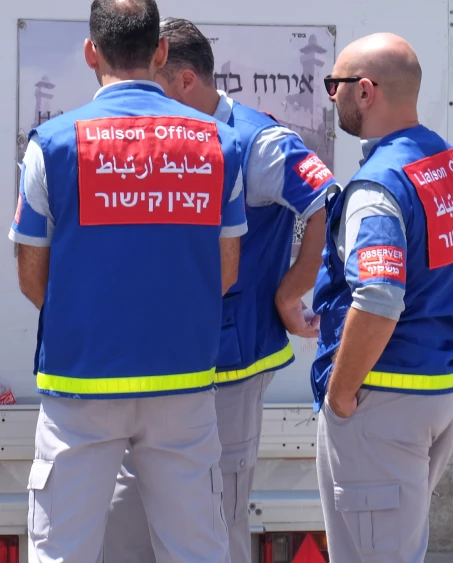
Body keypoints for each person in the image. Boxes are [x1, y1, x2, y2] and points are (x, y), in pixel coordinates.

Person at [8, 1, 248, 561]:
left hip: (82, 383)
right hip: (183, 381)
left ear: (91, 52)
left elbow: (30, 276)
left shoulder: (51, 143)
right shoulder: (221, 143)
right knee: (195, 548)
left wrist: (89, 314)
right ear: (161, 52)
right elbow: (227, 270)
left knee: (63, 549)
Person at [100, 17, 336, 563]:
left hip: (229, 366)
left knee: (215, 517)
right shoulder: (161, 138)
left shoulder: (259, 143)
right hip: (157, 362)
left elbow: (330, 203)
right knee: (133, 514)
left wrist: (291, 292)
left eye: (150, 89)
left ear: (184, 82)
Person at [312, 33, 453, 563]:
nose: (331, 96)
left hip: (383, 399)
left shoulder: (378, 186)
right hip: (443, 389)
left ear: (365, 91)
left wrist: (342, 396)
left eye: (336, 84)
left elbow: (378, 297)